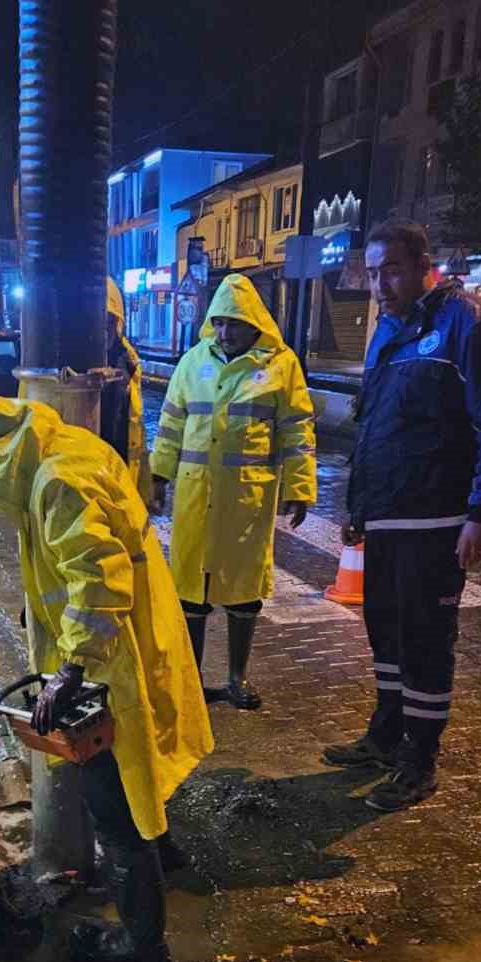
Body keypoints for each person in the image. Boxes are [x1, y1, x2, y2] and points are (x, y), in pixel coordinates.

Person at [0, 392, 212, 962]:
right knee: (143, 779)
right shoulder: (69, 446)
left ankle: (144, 946)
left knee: (114, 806)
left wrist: (70, 669)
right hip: (139, 635)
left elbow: (96, 582)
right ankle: (166, 854)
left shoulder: (55, 480)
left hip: (108, 660)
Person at [323, 221, 481, 811]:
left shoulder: (468, 323)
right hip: (386, 515)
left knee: (425, 641)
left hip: (436, 520)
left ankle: (420, 759)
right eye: (373, 270)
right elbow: (374, 426)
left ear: (423, 266)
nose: (380, 283)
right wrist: (359, 507)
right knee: (385, 633)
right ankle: (386, 736)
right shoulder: (390, 329)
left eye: (391, 269)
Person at [150, 273, 316, 709]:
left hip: (247, 501)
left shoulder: (280, 366)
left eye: (234, 323)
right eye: (219, 322)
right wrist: (157, 477)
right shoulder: (192, 362)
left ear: (254, 324)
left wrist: (299, 488)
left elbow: (297, 431)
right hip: (194, 498)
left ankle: (237, 679)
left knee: (243, 593)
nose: (224, 332)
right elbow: (170, 424)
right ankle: (191, 681)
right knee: (192, 592)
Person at [105, 278, 152, 504]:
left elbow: (136, 430)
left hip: (119, 479)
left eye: (108, 321)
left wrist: (144, 491)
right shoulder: (60, 366)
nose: (103, 330)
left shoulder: (128, 362)